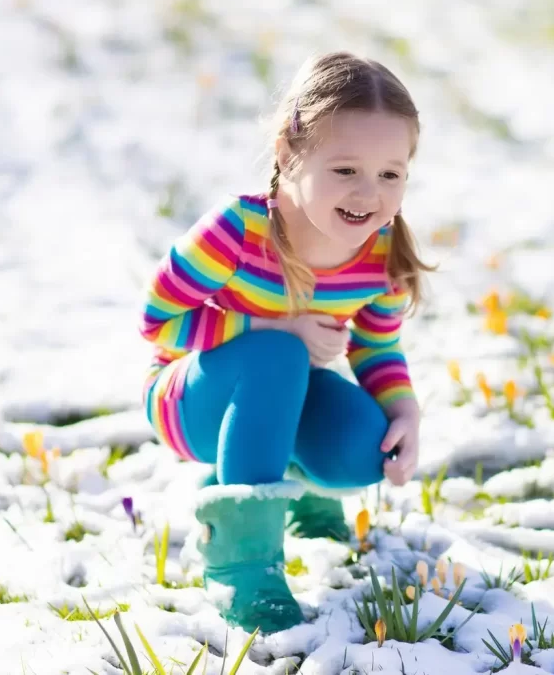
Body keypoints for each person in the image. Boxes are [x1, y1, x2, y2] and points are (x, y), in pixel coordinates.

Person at [135, 51, 433, 633]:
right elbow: (158, 320)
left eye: (390, 174)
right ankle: (242, 563)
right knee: (279, 354)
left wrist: (404, 409)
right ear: (289, 155)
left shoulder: (380, 252)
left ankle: (280, 485)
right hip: (191, 400)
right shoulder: (237, 232)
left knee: (362, 447)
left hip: (283, 395)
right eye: (345, 170)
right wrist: (272, 327)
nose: (368, 193)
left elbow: (375, 347)